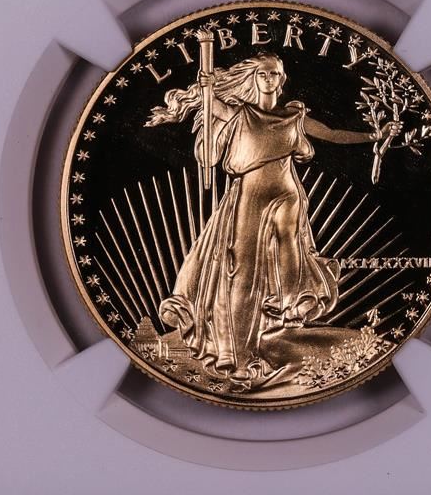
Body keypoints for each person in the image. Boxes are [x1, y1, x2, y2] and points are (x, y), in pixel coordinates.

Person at [146, 54, 382, 386]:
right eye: (264, 74)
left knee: (289, 242)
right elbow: (213, 105)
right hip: (250, 196)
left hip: (287, 193)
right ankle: (238, 356)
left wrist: (374, 136)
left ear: (282, 79)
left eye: (275, 74)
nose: (270, 79)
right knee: (242, 270)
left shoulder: (293, 116)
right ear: (254, 78)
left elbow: (332, 134)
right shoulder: (239, 113)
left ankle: (288, 304)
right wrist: (206, 88)